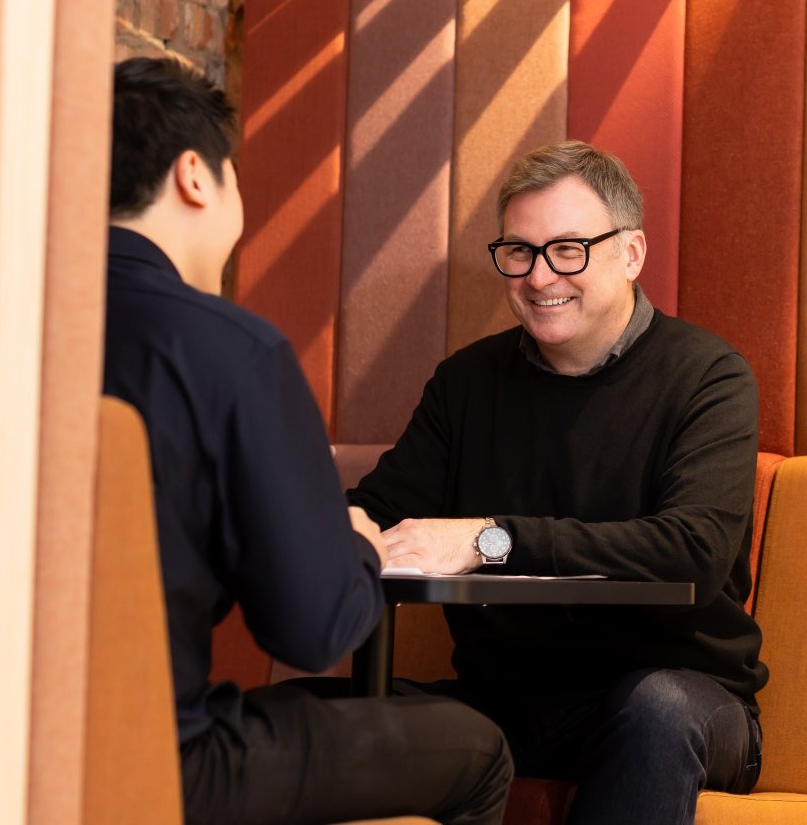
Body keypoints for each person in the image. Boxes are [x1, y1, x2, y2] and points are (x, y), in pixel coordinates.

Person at [103, 56, 512, 825]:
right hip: (169, 766)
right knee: (478, 750)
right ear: (196, 176)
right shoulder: (230, 350)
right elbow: (310, 625)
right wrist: (352, 540)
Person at [348, 141, 767, 825]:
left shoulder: (708, 378)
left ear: (630, 254)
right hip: (508, 702)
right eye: (519, 251)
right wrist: (334, 526)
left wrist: (492, 541)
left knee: (656, 709)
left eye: (568, 249)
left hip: (686, 696)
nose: (540, 277)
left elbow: (692, 548)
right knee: (309, 718)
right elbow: (382, 509)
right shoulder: (467, 384)